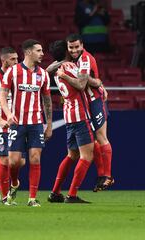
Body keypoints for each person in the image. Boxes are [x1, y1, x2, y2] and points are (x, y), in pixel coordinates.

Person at [0, 39, 53, 207]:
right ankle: (14, 183)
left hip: (36, 122)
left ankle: (32, 198)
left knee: (35, 158)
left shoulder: (43, 74)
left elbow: (47, 101)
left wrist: (49, 124)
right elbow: (2, 95)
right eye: (39, 50)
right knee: (14, 161)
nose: (42, 53)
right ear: (28, 52)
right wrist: (8, 113)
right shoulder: (13, 72)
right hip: (16, 122)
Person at [47, 40, 94, 203]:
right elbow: (82, 84)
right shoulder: (70, 68)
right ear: (66, 52)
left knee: (72, 155)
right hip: (80, 115)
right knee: (87, 156)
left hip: (69, 116)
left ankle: (55, 192)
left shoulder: (56, 70)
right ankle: (72, 195)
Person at [66, 34, 114, 191]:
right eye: (71, 47)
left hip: (94, 102)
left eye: (76, 47)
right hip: (86, 104)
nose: (74, 50)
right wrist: (99, 82)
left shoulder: (85, 59)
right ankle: (102, 176)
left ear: (82, 45)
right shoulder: (74, 60)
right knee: (92, 140)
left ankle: (107, 176)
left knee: (101, 137)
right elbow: (93, 79)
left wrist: (98, 84)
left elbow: (82, 83)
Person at [0, 47, 24, 204]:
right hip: (0, 125)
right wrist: (0, 119)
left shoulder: (19, 76)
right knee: (5, 160)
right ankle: (7, 197)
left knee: (19, 161)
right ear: (5, 60)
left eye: (17, 59)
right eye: (13, 59)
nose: (17, 62)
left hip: (17, 124)